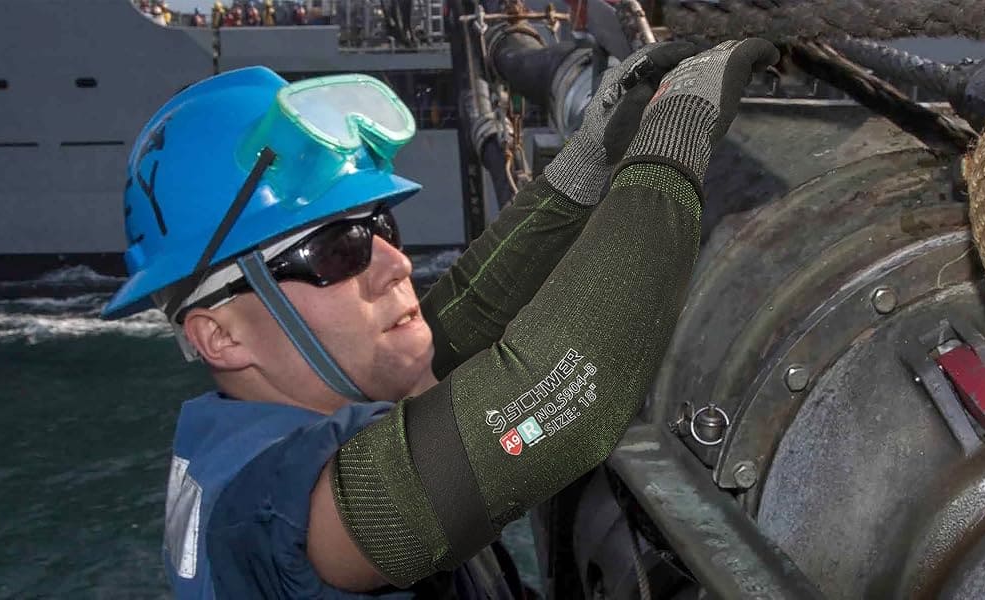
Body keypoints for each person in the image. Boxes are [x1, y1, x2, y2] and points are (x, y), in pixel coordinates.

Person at [101, 38, 779, 598]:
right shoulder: (259, 505)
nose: (396, 262)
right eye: (339, 249)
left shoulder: (286, 415)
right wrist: (674, 142)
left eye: (381, 225)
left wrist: (591, 157)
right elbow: (555, 399)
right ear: (218, 334)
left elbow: (459, 320)